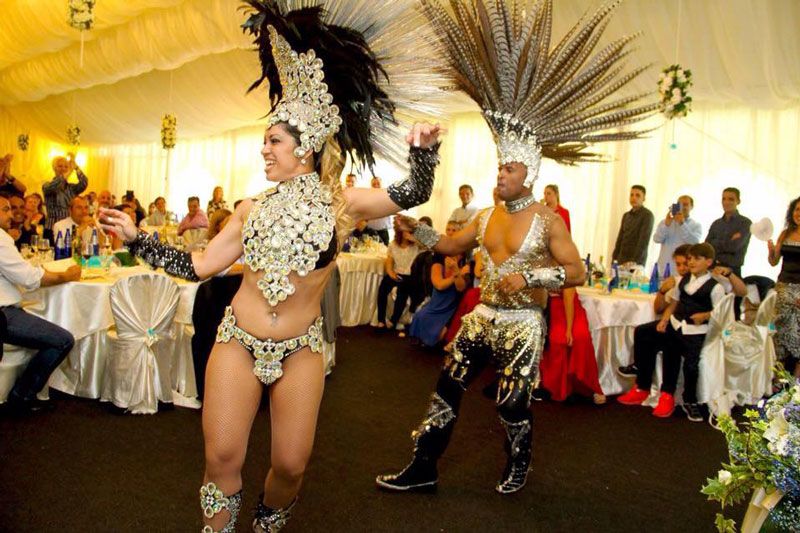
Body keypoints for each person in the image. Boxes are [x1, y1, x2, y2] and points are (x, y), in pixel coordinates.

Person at [99, 4, 445, 529]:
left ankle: (266, 525)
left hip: (301, 350)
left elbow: (412, 192)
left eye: (273, 141)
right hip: (238, 342)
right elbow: (199, 265)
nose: (263, 149)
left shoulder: (343, 204)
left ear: (305, 147)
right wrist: (137, 238)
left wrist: (424, 152)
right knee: (221, 457)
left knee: (290, 465)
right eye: (264, 141)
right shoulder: (249, 209)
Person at [377, 0, 660, 496]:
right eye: (499, 167)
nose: (500, 174)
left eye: (508, 169)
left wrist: (530, 277)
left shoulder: (548, 221)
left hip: (525, 322)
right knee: (446, 388)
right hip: (483, 315)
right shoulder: (486, 216)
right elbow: (450, 244)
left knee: (511, 404)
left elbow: (576, 273)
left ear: (528, 172)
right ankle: (423, 467)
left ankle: (519, 461)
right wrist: (416, 231)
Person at [618, 243, 746, 422]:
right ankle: (648, 385)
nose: (690, 263)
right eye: (689, 259)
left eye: (695, 259)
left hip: (695, 330)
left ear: (708, 262)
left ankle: (686, 399)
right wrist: (664, 319)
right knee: (648, 335)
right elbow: (674, 303)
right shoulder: (683, 281)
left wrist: (705, 315)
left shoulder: (715, 285)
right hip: (676, 323)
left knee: (688, 363)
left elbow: (722, 310)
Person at [0, 196, 80, 414]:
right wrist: (66, 276)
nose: (11, 214)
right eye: (6, 209)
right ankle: (21, 395)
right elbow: (27, 277)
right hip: (4, 315)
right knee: (63, 340)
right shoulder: (1, 238)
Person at [538, 285, 605, 404]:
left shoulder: (569, 274)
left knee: (580, 338)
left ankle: (590, 385)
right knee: (558, 341)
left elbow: (568, 297)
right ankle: (558, 386)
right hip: (551, 307)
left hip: (571, 307)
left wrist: (569, 329)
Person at [407, 221, 469, 345]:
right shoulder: (439, 255)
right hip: (438, 299)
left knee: (440, 335)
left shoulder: (466, 257)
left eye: (454, 230)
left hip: (453, 302)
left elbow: (461, 288)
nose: (450, 232)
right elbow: (439, 285)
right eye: (448, 229)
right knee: (420, 317)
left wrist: (456, 271)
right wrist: (457, 274)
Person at [768, 196, 800, 376]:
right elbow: (774, 262)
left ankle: (795, 382)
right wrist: (771, 251)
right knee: (779, 333)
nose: (799, 214)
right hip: (783, 286)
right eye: (797, 210)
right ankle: (778, 380)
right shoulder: (785, 233)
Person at [376, 220, 422, 331]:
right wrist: (390, 272)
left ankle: (394, 320)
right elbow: (389, 260)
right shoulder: (393, 244)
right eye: (404, 230)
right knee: (383, 288)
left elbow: (429, 247)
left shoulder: (417, 245)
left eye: (408, 231)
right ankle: (381, 320)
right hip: (396, 272)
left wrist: (413, 239)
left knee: (402, 291)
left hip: (410, 275)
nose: (406, 233)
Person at [705, 187, 752, 277]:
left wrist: (715, 243)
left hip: (732, 271)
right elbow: (707, 247)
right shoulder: (716, 223)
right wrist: (729, 241)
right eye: (724, 199)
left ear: (738, 201)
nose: (726, 202)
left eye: (731, 199)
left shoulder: (745, 223)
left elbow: (733, 247)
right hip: (712, 268)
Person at [42, 153, 88, 242]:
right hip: (52, 228)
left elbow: (84, 183)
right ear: (54, 168)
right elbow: (57, 184)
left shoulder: (71, 188)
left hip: (69, 227)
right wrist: (69, 171)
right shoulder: (47, 186)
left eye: (66, 167)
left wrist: (76, 167)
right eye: (60, 166)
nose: (63, 169)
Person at [652, 194, 702, 274]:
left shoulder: (696, 225)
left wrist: (682, 224)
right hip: (663, 266)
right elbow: (656, 239)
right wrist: (666, 225)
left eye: (685, 204)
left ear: (691, 207)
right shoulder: (666, 222)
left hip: (683, 268)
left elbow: (694, 242)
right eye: (680, 204)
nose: (682, 207)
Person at [611, 185, 654, 266]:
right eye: (631, 195)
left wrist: (633, 262)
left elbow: (643, 242)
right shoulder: (626, 215)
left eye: (637, 195)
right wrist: (614, 259)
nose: (634, 198)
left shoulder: (647, 215)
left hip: (636, 262)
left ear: (644, 198)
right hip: (621, 259)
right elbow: (620, 239)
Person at [366, 176, 392, 245]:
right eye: (373, 184)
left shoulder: (388, 196)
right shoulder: (367, 198)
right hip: (370, 232)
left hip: (383, 232)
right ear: (371, 186)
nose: (376, 186)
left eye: (378, 183)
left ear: (381, 184)